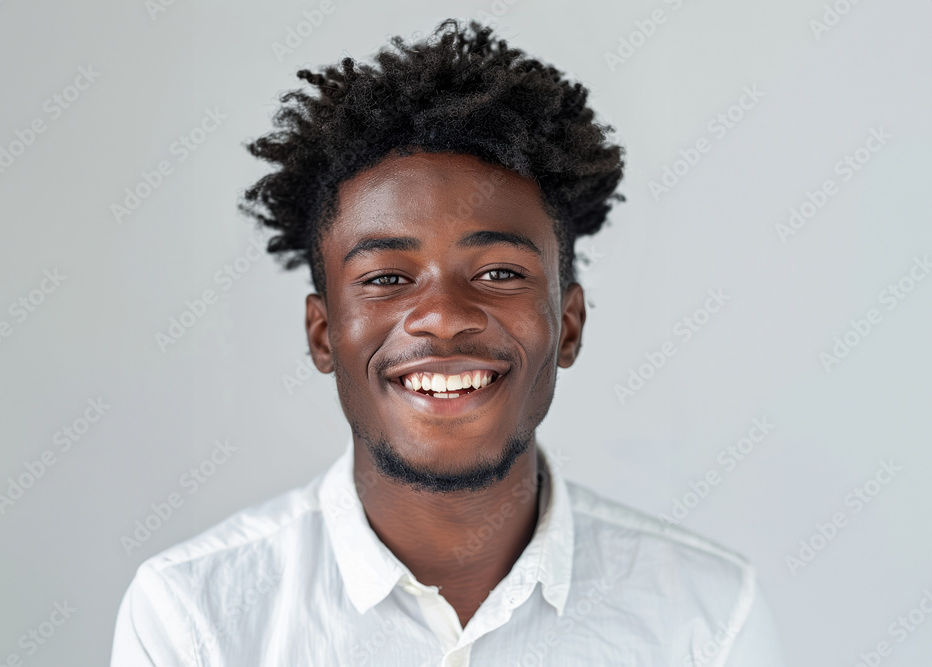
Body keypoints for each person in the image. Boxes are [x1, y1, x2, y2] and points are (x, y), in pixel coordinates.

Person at [111, 19, 785, 666]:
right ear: (323, 335)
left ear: (569, 324)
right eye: (386, 277)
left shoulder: (706, 618)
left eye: (498, 273)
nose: (440, 316)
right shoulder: (195, 617)